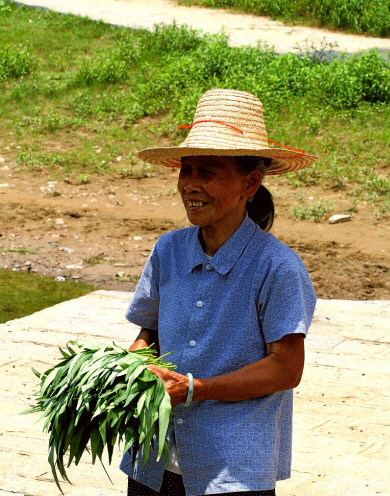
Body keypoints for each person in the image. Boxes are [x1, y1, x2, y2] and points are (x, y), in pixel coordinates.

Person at [120, 89, 318, 496]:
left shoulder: (277, 267)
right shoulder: (168, 250)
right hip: (152, 459)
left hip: (232, 468)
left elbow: (285, 368)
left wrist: (196, 389)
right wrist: (131, 367)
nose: (190, 185)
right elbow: (148, 333)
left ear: (250, 182)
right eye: (186, 170)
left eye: (207, 172)